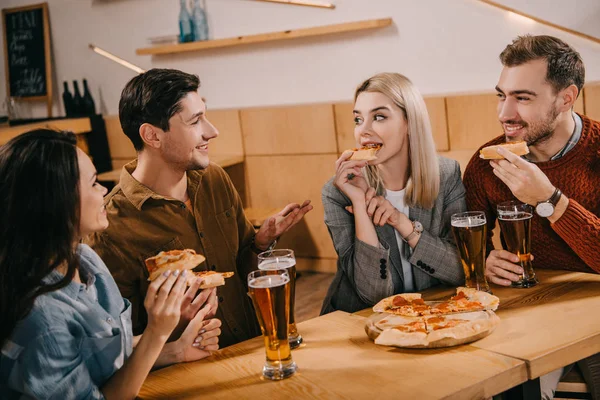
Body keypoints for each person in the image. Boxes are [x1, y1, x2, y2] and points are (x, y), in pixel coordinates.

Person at [86, 69, 312, 346]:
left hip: (256, 349)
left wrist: (259, 243)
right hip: (187, 379)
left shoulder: (214, 179)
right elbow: (119, 345)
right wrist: (176, 324)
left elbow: (242, 267)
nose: (212, 131)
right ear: (152, 136)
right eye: (195, 121)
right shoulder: (110, 227)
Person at [0, 129, 221, 399]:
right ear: (57, 203)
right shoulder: (41, 320)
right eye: (93, 183)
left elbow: (107, 356)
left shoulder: (86, 260)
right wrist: (155, 332)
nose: (104, 190)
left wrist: (174, 346)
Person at [463, 35, 600, 399]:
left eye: (522, 98)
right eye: (501, 95)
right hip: (525, 311)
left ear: (566, 98)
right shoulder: (486, 162)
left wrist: (549, 200)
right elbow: (459, 239)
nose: (504, 113)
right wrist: (482, 261)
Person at [321, 72, 466, 314]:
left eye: (378, 117)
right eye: (358, 120)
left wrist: (402, 223)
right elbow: (373, 295)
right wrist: (359, 205)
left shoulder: (447, 175)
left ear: (410, 122)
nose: (363, 131)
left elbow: (461, 269)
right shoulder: (338, 192)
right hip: (356, 323)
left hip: (431, 314)